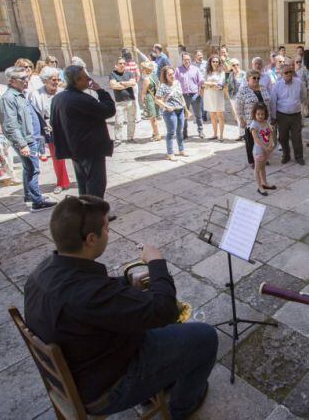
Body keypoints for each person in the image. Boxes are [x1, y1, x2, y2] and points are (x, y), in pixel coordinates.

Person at [24, 196, 217, 419]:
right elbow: (164, 310)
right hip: (105, 389)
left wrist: (127, 282)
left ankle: (162, 379)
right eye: (106, 228)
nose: (109, 232)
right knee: (205, 337)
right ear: (91, 239)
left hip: (82, 365)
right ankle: (183, 407)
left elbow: (91, 295)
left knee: (160, 328)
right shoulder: (91, 295)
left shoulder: (40, 272)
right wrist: (156, 262)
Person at [50, 65, 116, 201]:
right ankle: (94, 212)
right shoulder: (82, 99)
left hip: (74, 148)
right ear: (77, 80)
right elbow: (108, 110)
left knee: (83, 182)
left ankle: (85, 209)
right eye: (86, 78)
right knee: (96, 184)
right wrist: (100, 91)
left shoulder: (58, 98)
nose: (89, 80)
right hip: (90, 148)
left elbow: (53, 122)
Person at [0, 66, 56, 212]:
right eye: (22, 78)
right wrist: (22, 144)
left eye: (27, 77)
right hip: (26, 141)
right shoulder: (9, 98)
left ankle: (30, 195)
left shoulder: (21, 94)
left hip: (32, 137)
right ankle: (37, 202)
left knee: (28, 168)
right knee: (33, 170)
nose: (26, 80)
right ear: (12, 81)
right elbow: (10, 125)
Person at [30, 67, 71, 194]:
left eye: (58, 79)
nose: (56, 82)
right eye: (53, 79)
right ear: (45, 80)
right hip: (50, 128)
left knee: (77, 153)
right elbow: (36, 115)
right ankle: (62, 182)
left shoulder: (63, 92)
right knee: (57, 157)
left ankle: (84, 177)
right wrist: (44, 126)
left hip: (67, 126)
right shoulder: (36, 95)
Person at [269, 64, 306, 165]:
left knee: (296, 137)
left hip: (296, 115)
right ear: (281, 74)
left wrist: (297, 107)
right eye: (286, 72)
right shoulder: (277, 85)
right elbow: (273, 102)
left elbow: (303, 97)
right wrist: (273, 117)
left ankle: (299, 157)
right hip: (282, 115)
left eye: (291, 72)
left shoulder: (299, 83)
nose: (289, 74)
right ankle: (286, 155)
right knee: (283, 137)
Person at [236, 70, 271, 167]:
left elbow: (268, 104)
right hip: (250, 121)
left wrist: (270, 118)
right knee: (251, 141)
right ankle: (253, 161)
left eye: (258, 78)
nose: (256, 80)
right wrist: (241, 119)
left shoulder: (263, 88)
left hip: (264, 121)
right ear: (248, 79)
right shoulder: (243, 90)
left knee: (264, 140)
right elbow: (238, 106)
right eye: (254, 78)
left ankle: (263, 158)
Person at [155, 65, 188, 161]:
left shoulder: (177, 83)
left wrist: (186, 109)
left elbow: (181, 96)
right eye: (169, 74)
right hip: (170, 112)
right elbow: (157, 99)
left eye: (173, 73)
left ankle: (181, 150)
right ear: (165, 76)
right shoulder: (163, 86)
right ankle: (170, 153)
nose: (172, 76)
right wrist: (166, 106)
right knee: (171, 133)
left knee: (180, 132)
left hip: (180, 110)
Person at [175, 53, 205, 139]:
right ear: (182, 60)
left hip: (195, 95)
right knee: (184, 115)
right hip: (183, 96)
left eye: (188, 59)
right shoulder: (178, 70)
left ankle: (201, 131)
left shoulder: (196, 69)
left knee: (198, 115)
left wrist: (200, 93)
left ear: (190, 60)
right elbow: (175, 82)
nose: (187, 61)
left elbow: (201, 81)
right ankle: (184, 132)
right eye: (185, 59)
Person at [109, 58, 137, 146]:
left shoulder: (129, 73)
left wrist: (121, 83)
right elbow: (113, 85)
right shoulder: (113, 74)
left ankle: (130, 138)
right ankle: (118, 139)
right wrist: (127, 84)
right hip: (119, 102)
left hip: (130, 100)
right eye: (120, 63)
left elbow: (133, 83)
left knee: (131, 120)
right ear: (116, 65)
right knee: (118, 121)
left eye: (124, 63)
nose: (122, 65)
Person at [250, 103, 276, 196]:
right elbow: (256, 139)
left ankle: (264, 183)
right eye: (258, 114)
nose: (260, 116)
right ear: (254, 114)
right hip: (259, 151)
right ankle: (259, 187)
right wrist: (266, 148)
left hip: (266, 150)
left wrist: (271, 144)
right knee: (257, 169)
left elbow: (270, 134)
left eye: (262, 114)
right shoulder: (254, 125)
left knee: (263, 168)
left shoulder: (266, 122)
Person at [202, 55, 226, 141]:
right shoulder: (207, 72)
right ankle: (215, 134)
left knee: (220, 116)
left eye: (217, 61)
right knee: (212, 115)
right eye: (213, 61)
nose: (215, 63)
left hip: (218, 95)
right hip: (209, 95)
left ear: (219, 63)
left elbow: (220, 84)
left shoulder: (221, 72)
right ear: (210, 62)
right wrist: (213, 83)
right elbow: (203, 82)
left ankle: (221, 135)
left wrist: (209, 84)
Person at [139, 60, 161, 141]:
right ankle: (155, 133)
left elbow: (143, 92)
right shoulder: (154, 76)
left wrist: (142, 101)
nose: (142, 70)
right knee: (154, 117)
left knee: (152, 118)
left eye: (143, 68)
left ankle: (157, 135)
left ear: (147, 69)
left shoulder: (146, 79)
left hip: (149, 99)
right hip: (156, 98)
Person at [121, 48, 142, 123]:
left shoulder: (122, 65)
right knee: (135, 101)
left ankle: (127, 119)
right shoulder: (134, 64)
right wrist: (135, 82)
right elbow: (138, 74)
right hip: (133, 84)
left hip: (126, 85)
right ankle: (137, 118)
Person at [228, 58, 246, 140]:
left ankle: (247, 133)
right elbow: (229, 86)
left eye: (237, 64)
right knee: (238, 116)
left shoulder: (243, 74)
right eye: (233, 65)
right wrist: (229, 96)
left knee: (244, 115)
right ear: (231, 66)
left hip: (242, 97)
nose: (236, 66)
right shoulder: (230, 74)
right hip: (233, 97)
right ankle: (241, 133)